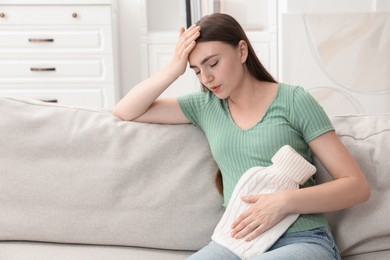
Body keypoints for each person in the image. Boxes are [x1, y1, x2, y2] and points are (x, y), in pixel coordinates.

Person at [113, 13, 370, 260]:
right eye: (197, 71)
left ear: (242, 51)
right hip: (237, 244)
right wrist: (173, 69)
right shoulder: (206, 106)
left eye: (213, 63)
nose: (207, 78)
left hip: (303, 239)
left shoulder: (294, 100)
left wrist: (284, 202)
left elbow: (356, 186)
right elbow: (126, 110)